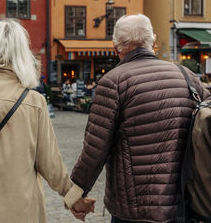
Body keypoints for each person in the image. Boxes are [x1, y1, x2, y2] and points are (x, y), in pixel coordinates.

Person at [0, 19, 95, 223]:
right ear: (23, 54)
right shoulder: (33, 101)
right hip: (23, 210)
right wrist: (75, 198)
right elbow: (50, 164)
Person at [68, 14, 211, 223]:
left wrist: (75, 195)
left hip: (134, 209)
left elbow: (94, 149)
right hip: (183, 205)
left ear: (115, 47)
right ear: (153, 41)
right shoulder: (187, 76)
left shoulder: (113, 82)